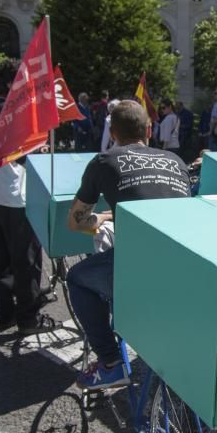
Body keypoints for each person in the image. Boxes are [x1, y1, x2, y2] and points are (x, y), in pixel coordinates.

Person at [65, 100, 191, 389]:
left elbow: (74, 222)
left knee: (78, 279)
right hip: (185, 264)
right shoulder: (176, 161)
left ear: (112, 134)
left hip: (142, 266)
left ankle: (111, 364)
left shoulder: (104, 161)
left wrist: (98, 219)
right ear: (149, 129)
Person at [0, 59, 54, 335]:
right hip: (15, 194)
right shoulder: (8, 111)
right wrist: (40, 153)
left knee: (0, 257)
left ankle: (5, 314)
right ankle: (28, 318)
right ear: (12, 84)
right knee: (26, 260)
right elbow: (20, 154)